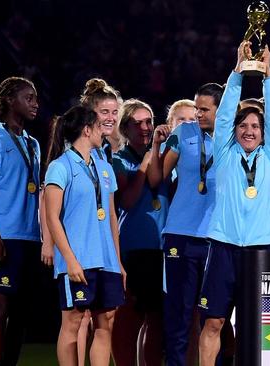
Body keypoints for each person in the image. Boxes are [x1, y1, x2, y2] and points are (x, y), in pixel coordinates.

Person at [198, 41, 270, 366]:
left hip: (260, 251)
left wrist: (268, 76)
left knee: (255, 328)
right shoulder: (225, 154)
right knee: (214, 322)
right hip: (222, 247)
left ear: (263, 133)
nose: (249, 131)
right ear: (234, 131)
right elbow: (221, 119)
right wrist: (238, 71)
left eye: (255, 127)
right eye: (243, 126)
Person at [149, 82, 224, 366]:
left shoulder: (234, 136)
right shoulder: (183, 132)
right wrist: (156, 146)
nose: (198, 114)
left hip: (217, 237)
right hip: (180, 233)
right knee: (178, 313)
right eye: (196, 107)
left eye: (205, 109)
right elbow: (157, 180)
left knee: (213, 316)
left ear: (220, 109)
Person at [44, 105, 125, 366]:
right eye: (99, 126)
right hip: (78, 258)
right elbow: (52, 217)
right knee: (73, 320)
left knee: (106, 322)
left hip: (107, 259)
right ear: (87, 129)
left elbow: (111, 216)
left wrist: (118, 261)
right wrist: (69, 260)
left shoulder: (104, 167)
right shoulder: (60, 166)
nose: (104, 130)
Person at [0, 77, 41, 366]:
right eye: (29, 97)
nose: (35, 103)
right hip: (2, 235)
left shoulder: (34, 143)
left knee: (22, 311)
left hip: (30, 237)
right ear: (10, 101)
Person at [111, 99, 168, 365]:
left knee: (156, 316)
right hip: (133, 246)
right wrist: (145, 165)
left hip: (162, 245)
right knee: (129, 314)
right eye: (138, 123)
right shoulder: (119, 160)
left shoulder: (163, 154)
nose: (146, 128)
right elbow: (127, 201)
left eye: (149, 121)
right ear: (124, 128)